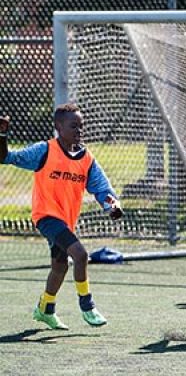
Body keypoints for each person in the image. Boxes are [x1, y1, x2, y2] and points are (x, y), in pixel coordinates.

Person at [0, 103, 123, 330]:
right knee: (80, 254)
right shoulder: (44, 150)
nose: (79, 130)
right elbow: (6, 157)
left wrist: (113, 207)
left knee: (60, 266)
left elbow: (102, 189)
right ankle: (87, 305)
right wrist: (2, 134)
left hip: (66, 221)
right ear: (58, 127)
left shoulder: (87, 159)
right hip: (46, 216)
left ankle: (46, 309)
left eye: (81, 126)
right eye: (73, 126)